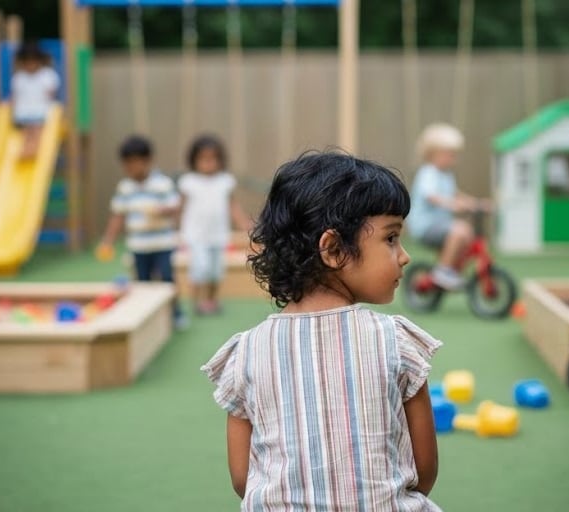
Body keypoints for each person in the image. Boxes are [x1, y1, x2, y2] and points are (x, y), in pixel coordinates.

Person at [202, 152, 443, 511]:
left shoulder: (246, 353)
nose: (404, 256)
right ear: (333, 249)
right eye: (391, 238)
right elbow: (423, 471)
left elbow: (243, 477)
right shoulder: (396, 342)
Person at [96, 135, 187, 329]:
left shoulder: (161, 184)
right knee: (142, 284)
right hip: (139, 246)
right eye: (126, 164)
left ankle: (175, 313)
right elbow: (117, 216)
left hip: (162, 243)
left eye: (134, 162)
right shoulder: (125, 188)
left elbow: (175, 206)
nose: (130, 168)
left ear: (147, 161)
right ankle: (149, 321)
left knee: (167, 280)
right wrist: (108, 241)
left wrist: (163, 210)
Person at [407, 123, 491, 290]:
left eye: (454, 155)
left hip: (441, 226)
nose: (453, 159)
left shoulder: (446, 175)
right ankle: (443, 272)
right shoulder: (429, 172)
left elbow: (456, 194)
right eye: (449, 155)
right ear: (433, 154)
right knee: (461, 230)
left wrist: (477, 203)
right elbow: (432, 196)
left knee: (466, 235)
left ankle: (449, 269)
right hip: (425, 226)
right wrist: (453, 205)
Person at [178, 135, 251, 315]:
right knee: (200, 268)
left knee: (216, 271)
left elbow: (233, 206)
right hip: (196, 235)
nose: (208, 163)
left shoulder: (224, 182)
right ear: (194, 160)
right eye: (203, 159)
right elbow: (180, 207)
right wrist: (176, 230)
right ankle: (196, 301)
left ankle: (211, 300)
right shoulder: (189, 182)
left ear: (220, 160)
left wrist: (244, 224)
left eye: (212, 159)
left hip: (218, 234)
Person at [11, 42, 60, 159]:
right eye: (27, 62)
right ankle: (25, 148)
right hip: (23, 112)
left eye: (33, 61)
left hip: (40, 112)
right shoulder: (19, 77)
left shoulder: (47, 75)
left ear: (40, 61)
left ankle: (33, 148)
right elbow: (15, 96)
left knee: (37, 130)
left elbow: (52, 92)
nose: (30, 64)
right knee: (26, 132)